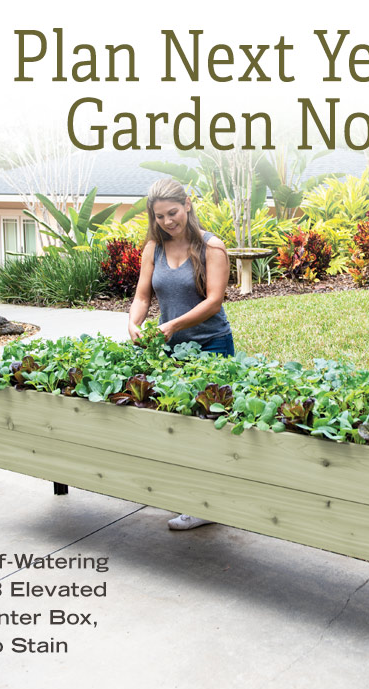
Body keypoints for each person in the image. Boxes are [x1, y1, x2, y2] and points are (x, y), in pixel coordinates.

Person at [128, 177, 234, 530]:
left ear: (187, 205)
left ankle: (207, 505)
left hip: (210, 345)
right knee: (175, 425)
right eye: (159, 217)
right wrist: (134, 323)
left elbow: (214, 300)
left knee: (205, 428)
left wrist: (172, 325)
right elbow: (144, 296)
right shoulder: (153, 249)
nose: (167, 221)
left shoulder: (211, 247)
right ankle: (191, 497)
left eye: (172, 213)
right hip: (170, 350)